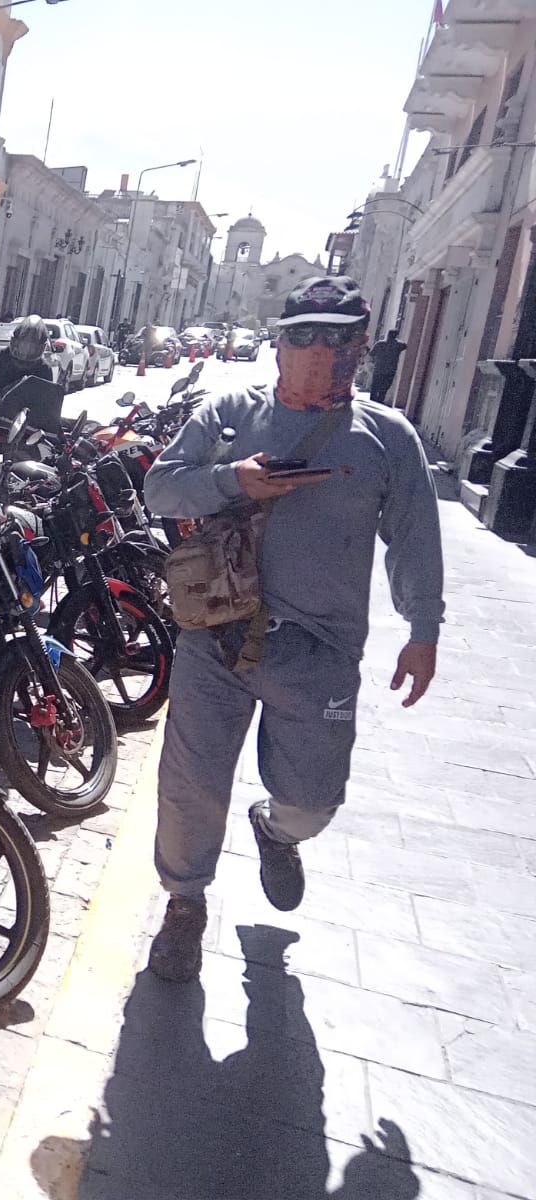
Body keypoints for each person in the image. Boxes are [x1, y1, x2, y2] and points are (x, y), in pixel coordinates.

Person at [141, 276, 444, 983]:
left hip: (320, 652)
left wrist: (422, 627)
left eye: (336, 337)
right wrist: (231, 481)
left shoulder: (387, 440)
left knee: (312, 802)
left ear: (361, 348)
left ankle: (276, 831)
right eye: (302, 334)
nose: (318, 351)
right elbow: (160, 487)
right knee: (190, 788)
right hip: (215, 634)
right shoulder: (227, 415)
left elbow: (414, 539)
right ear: (278, 343)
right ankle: (184, 906)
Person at [0, 313, 55, 418]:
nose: (26, 350)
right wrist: (2, 392)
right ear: (14, 342)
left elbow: (47, 402)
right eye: (23, 344)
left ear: (41, 348)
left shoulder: (44, 368)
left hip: (26, 420)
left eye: (32, 347)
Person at [367, 328, 407, 404]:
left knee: (375, 387)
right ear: (396, 336)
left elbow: (371, 354)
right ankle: (380, 400)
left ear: (387, 334)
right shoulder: (398, 345)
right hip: (390, 370)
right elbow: (405, 345)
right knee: (384, 387)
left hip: (378, 369)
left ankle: (372, 402)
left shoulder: (380, 344)